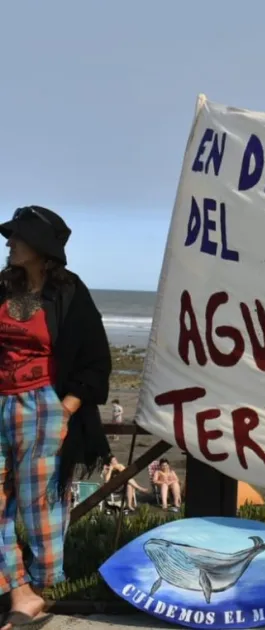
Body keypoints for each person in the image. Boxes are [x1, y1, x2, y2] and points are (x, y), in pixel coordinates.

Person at [0, 205, 112, 629]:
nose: (9, 242)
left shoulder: (69, 292)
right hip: (0, 402)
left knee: (41, 506)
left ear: (41, 247)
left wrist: (66, 408)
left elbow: (96, 359)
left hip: (42, 408)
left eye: (18, 236)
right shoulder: (2, 288)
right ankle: (20, 592)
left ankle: (38, 588)